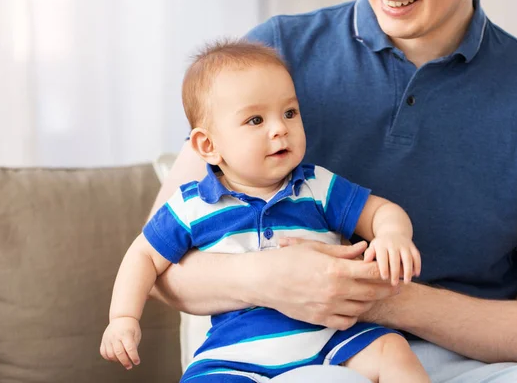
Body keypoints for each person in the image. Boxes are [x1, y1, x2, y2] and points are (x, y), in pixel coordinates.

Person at [147, 0, 517, 382]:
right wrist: (267, 277)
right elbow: (160, 266)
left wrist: (382, 298)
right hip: (303, 357)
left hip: (475, 362)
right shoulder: (276, 52)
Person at [100, 40, 430, 383]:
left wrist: (393, 234)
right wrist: (123, 317)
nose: (280, 128)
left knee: (392, 349)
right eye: (255, 119)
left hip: (330, 340)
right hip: (234, 355)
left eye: (289, 113)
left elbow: (380, 212)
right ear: (208, 146)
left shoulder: (316, 186)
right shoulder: (191, 206)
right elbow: (142, 256)